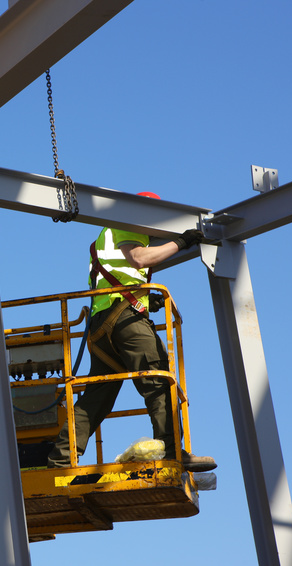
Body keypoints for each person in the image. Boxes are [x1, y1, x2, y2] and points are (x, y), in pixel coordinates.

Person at [46, 191, 217, 473]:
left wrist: (149, 299)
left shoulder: (105, 237)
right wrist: (182, 241)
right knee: (158, 381)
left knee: (96, 398)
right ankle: (172, 452)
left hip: (102, 326)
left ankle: (60, 462)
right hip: (124, 320)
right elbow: (138, 259)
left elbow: (120, 274)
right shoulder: (128, 224)